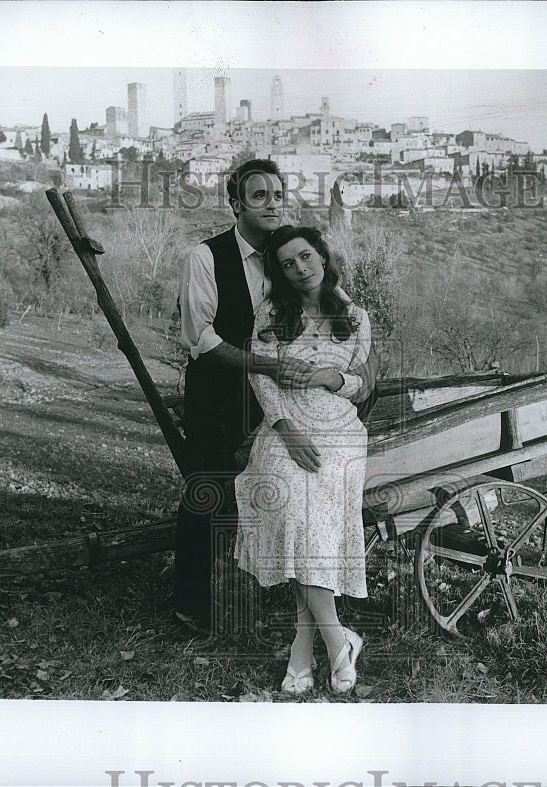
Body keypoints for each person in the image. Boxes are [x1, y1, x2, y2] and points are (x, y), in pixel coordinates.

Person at [234, 225, 370, 695]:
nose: (300, 269)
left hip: (338, 433)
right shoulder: (271, 313)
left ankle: (301, 649)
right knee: (293, 516)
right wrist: (285, 428)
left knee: (313, 526)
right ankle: (338, 641)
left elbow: (361, 383)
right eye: (288, 264)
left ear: (322, 256)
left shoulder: (354, 317)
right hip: (285, 425)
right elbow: (260, 376)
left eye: (306, 257)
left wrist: (334, 378)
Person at [174, 159, 306, 634]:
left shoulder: (289, 258)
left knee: (277, 486)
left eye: (278, 194)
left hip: (274, 398)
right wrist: (265, 363)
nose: (273, 203)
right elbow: (201, 339)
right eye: (259, 196)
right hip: (217, 395)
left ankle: (274, 593)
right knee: (207, 491)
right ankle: (191, 604)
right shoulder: (205, 259)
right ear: (235, 205)